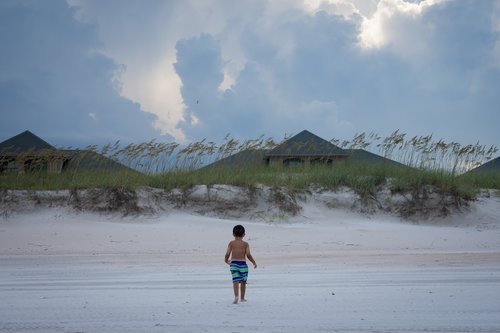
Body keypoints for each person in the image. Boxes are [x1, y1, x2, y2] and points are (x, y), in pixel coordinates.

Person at [224, 224, 257, 304]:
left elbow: (227, 253)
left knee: (235, 281)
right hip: (243, 264)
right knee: (243, 282)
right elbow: (248, 255)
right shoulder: (245, 244)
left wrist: (226, 260)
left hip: (234, 264)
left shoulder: (231, 243)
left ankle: (236, 297)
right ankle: (242, 298)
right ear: (244, 234)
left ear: (233, 234)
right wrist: (253, 262)